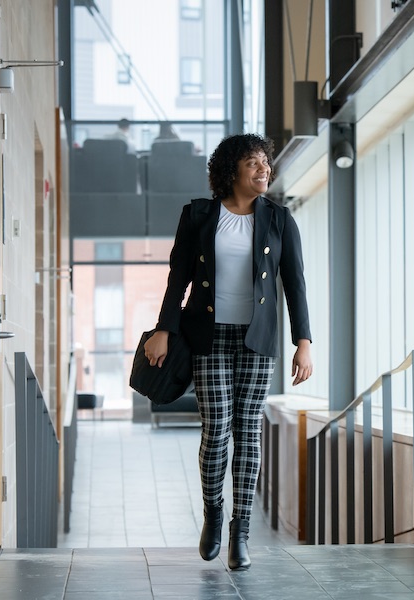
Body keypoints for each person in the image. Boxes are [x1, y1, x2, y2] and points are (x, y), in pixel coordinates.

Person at [142, 133, 313, 570]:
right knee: (217, 429)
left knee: (248, 431)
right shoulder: (199, 215)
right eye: (254, 163)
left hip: (257, 339)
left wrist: (304, 344)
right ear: (231, 169)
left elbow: (294, 284)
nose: (264, 171)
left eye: (267, 164)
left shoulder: (279, 218)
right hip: (208, 335)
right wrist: (164, 329)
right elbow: (178, 277)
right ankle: (213, 513)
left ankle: (241, 531)